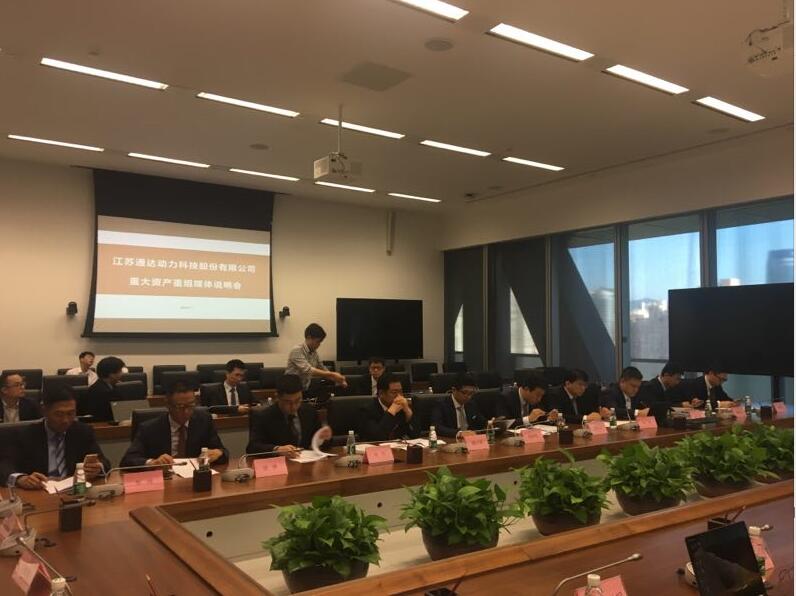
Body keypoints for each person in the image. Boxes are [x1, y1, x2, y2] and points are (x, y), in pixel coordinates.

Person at [2, 387, 110, 489]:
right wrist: (20, 478)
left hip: (74, 490)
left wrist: (98, 468)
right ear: (44, 411)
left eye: (71, 413)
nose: (65, 420)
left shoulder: (82, 431)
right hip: (39, 491)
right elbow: (4, 466)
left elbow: (104, 462)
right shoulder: (25, 435)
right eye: (59, 414)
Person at [120, 381, 228, 467]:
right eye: (180, 407)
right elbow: (128, 460)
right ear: (168, 405)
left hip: (194, 477)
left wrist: (218, 453)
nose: (186, 411)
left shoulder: (203, 422)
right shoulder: (149, 428)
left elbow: (223, 451)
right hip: (164, 479)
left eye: (191, 405)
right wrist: (152, 463)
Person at [246, 374, 331, 454]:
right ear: (277, 397)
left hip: (306, 460)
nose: (294, 407)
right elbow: (252, 447)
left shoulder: (309, 411)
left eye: (297, 400)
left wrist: (323, 439)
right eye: (288, 402)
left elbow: (321, 441)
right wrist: (277, 449)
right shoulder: (264, 416)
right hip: (279, 462)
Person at [285, 324, 347, 392]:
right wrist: (333, 374)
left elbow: (322, 368)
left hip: (303, 389)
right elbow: (308, 370)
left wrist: (338, 380)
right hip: (290, 390)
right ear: (309, 337)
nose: (319, 345)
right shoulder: (297, 350)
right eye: (318, 341)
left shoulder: (314, 353)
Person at [358, 374, 418, 441]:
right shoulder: (367, 410)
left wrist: (408, 412)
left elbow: (416, 434)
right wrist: (391, 412)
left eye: (401, 392)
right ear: (381, 393)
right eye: (394, 392)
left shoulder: (402, 407)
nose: (399, 396)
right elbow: (377, 437)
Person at [430, 373, 486, 437]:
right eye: (464, 393)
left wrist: (491, 423)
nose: (468, 397)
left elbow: (481, 421)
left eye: (471, 393)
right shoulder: (441, 404)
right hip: (451, 440)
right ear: (454, 390)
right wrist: (459, 433)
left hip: (470, 439)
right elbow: (437, 427)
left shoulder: (471, 404)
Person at [79, 356, 125, 422]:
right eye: (120, 371)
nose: (122, 374)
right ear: (111, 374)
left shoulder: (108, 387)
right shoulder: (104, 392)